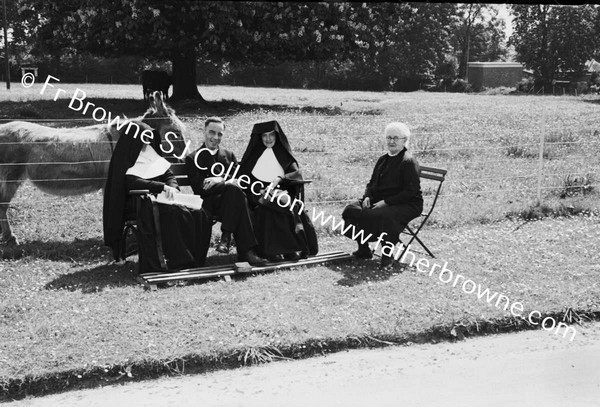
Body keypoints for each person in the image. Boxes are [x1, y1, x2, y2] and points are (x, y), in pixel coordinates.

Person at [103, 121, 211, 271]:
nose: (147, 141)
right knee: (175, 213)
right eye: (144, 137)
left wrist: (172, 187)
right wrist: (160, 187)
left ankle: (196, 260)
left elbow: (168, 174)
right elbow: (130, 181)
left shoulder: (151, 153)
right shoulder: (126, 155)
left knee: (199, 213)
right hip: (139, 203)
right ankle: (178, 262)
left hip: (163, 199)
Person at [185, 117, 266, 265]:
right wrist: (227, 181)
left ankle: (227, 237)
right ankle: (244, 251)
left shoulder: (229, 155)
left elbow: (241, 181)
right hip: (208, 203)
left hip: (231, 203)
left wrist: (219, 179)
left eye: (220, 134)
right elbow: (200, 188)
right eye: (212, 132)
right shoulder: (192, 158)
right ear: (204, 131)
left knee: (236, 195)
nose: (215, 137)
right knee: (236, 194)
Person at [341, 122, 423, 269]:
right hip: (380, 200)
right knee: (352, 209)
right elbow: (372, 183)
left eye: (395, 138)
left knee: (384, 216)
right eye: (389, 138)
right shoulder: (383, 159)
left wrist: (386, 202)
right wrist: (367, 196)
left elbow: (410, 192)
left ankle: (387, 256)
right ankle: (364, 249)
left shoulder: (408, 161)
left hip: (407, 204)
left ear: (404, 140)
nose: (391, 141)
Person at [238, 120, 318, 262]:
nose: (268, 139)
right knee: (267, 208)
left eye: (271, 135)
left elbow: (296, 174)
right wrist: (259, 190)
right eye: (264, 136)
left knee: (290, 205)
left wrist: (280, 179)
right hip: (258, 195)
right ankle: (272, 252)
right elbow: (242, 178)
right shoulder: (253, 154)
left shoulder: (283, 153)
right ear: (260, 137)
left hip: (281, 192)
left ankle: (290, 250)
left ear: (277, 136)